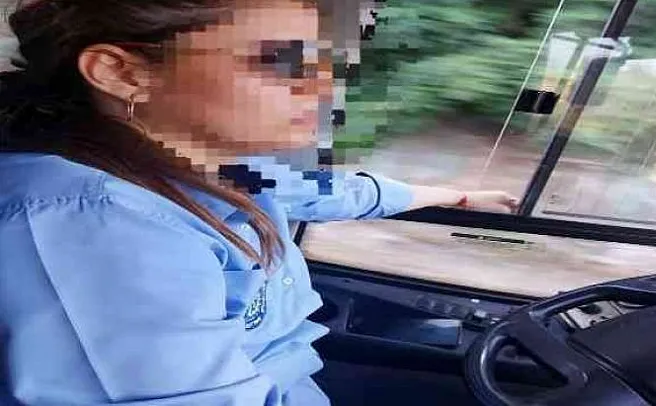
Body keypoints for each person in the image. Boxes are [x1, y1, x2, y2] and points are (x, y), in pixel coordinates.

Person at [0, 0, 518, 405]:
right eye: (280, 61)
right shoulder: (92, 226)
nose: (324, 88)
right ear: (122, 73)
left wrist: (452, 196)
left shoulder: (206, 162)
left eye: (324, 63)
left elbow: (327, 191)